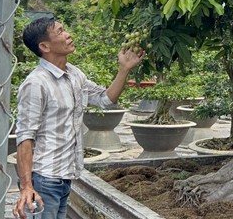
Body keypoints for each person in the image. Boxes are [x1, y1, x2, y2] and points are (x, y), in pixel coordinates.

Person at [12, 17, 145, 219]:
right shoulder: (36, 83)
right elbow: (25, 137)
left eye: (65, 29)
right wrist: (27, 186)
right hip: (44, 179)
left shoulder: (75, 75)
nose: (68, 35)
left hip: (66, 176)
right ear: (44, 46)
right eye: (60, 32)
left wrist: (124, 69)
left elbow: (105, 99)